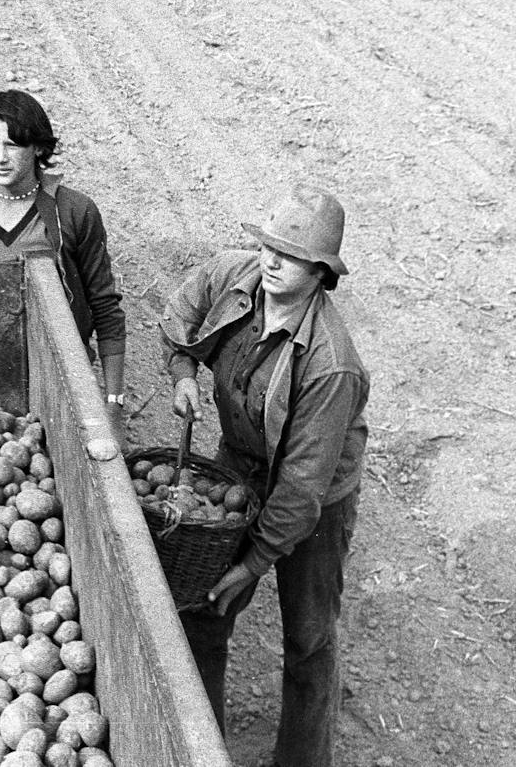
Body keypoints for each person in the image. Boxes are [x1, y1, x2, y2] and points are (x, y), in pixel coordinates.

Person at [164, 185, 368, 767]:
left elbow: (300, 494)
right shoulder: (234, 277)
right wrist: (182, 372)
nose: (273, 262)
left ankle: (303, 759)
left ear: (322, 273)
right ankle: (202, 750)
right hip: (241, 461)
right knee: (206, 606)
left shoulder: (330, 366)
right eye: (268, 246)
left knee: (307, 639)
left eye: (292, 256)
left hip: (318, 496)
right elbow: (178, 316)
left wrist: (251, 563)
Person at [0, 90, 127, 415]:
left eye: (12, 145)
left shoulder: (74, 212)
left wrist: (113, 400)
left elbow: (105, 308)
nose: (0, 158)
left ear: (38, 147)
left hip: (59, 375)